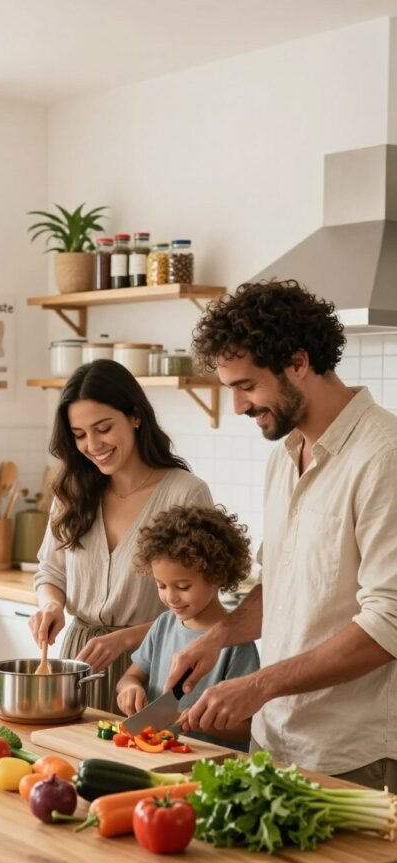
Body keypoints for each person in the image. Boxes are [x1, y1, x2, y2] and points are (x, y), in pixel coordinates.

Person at [164, 278, 397, 790]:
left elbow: (389, 624)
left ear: (298, 361)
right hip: (275, 742)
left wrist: (259, 685)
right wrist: (218, 638)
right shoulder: (282, 459)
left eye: (247, 386)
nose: (240, 407)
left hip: (353, 755)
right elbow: (285, 587)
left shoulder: (384, 456)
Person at [30, 359, 212, 713]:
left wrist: (127, 639)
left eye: (103, 428)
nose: (92, 444)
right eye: (79, 435)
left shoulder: (185, 494)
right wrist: (50, 604)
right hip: (80, 661)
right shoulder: (71, 491)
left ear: (135, 417)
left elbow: (201, 604)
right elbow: (50, 572)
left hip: (149, 666)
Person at [116, 504, 259, 751]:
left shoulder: (236, 643)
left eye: (182, 587)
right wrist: (129, 688)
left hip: (211, 762)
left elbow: (247, 729)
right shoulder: (163, 625)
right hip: (159, 754)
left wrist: (198, 720)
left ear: (216, 577)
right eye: (161, 585)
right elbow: (130, 677)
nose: (171, 598)